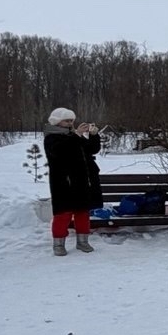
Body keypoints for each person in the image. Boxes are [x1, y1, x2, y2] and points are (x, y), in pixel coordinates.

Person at [43, 108, 103, 256]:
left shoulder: (73, 136)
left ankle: (83, 241)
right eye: (67, 120)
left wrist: (94, 136)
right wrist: (76, 135)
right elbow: (61, 151)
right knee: (63, 214)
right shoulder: (52, 137)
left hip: (81, 181)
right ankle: (58, 243)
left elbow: (91, 149)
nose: (70, 123)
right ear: (57, 121)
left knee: (82, 212)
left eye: (71, 120)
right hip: (63, 182)